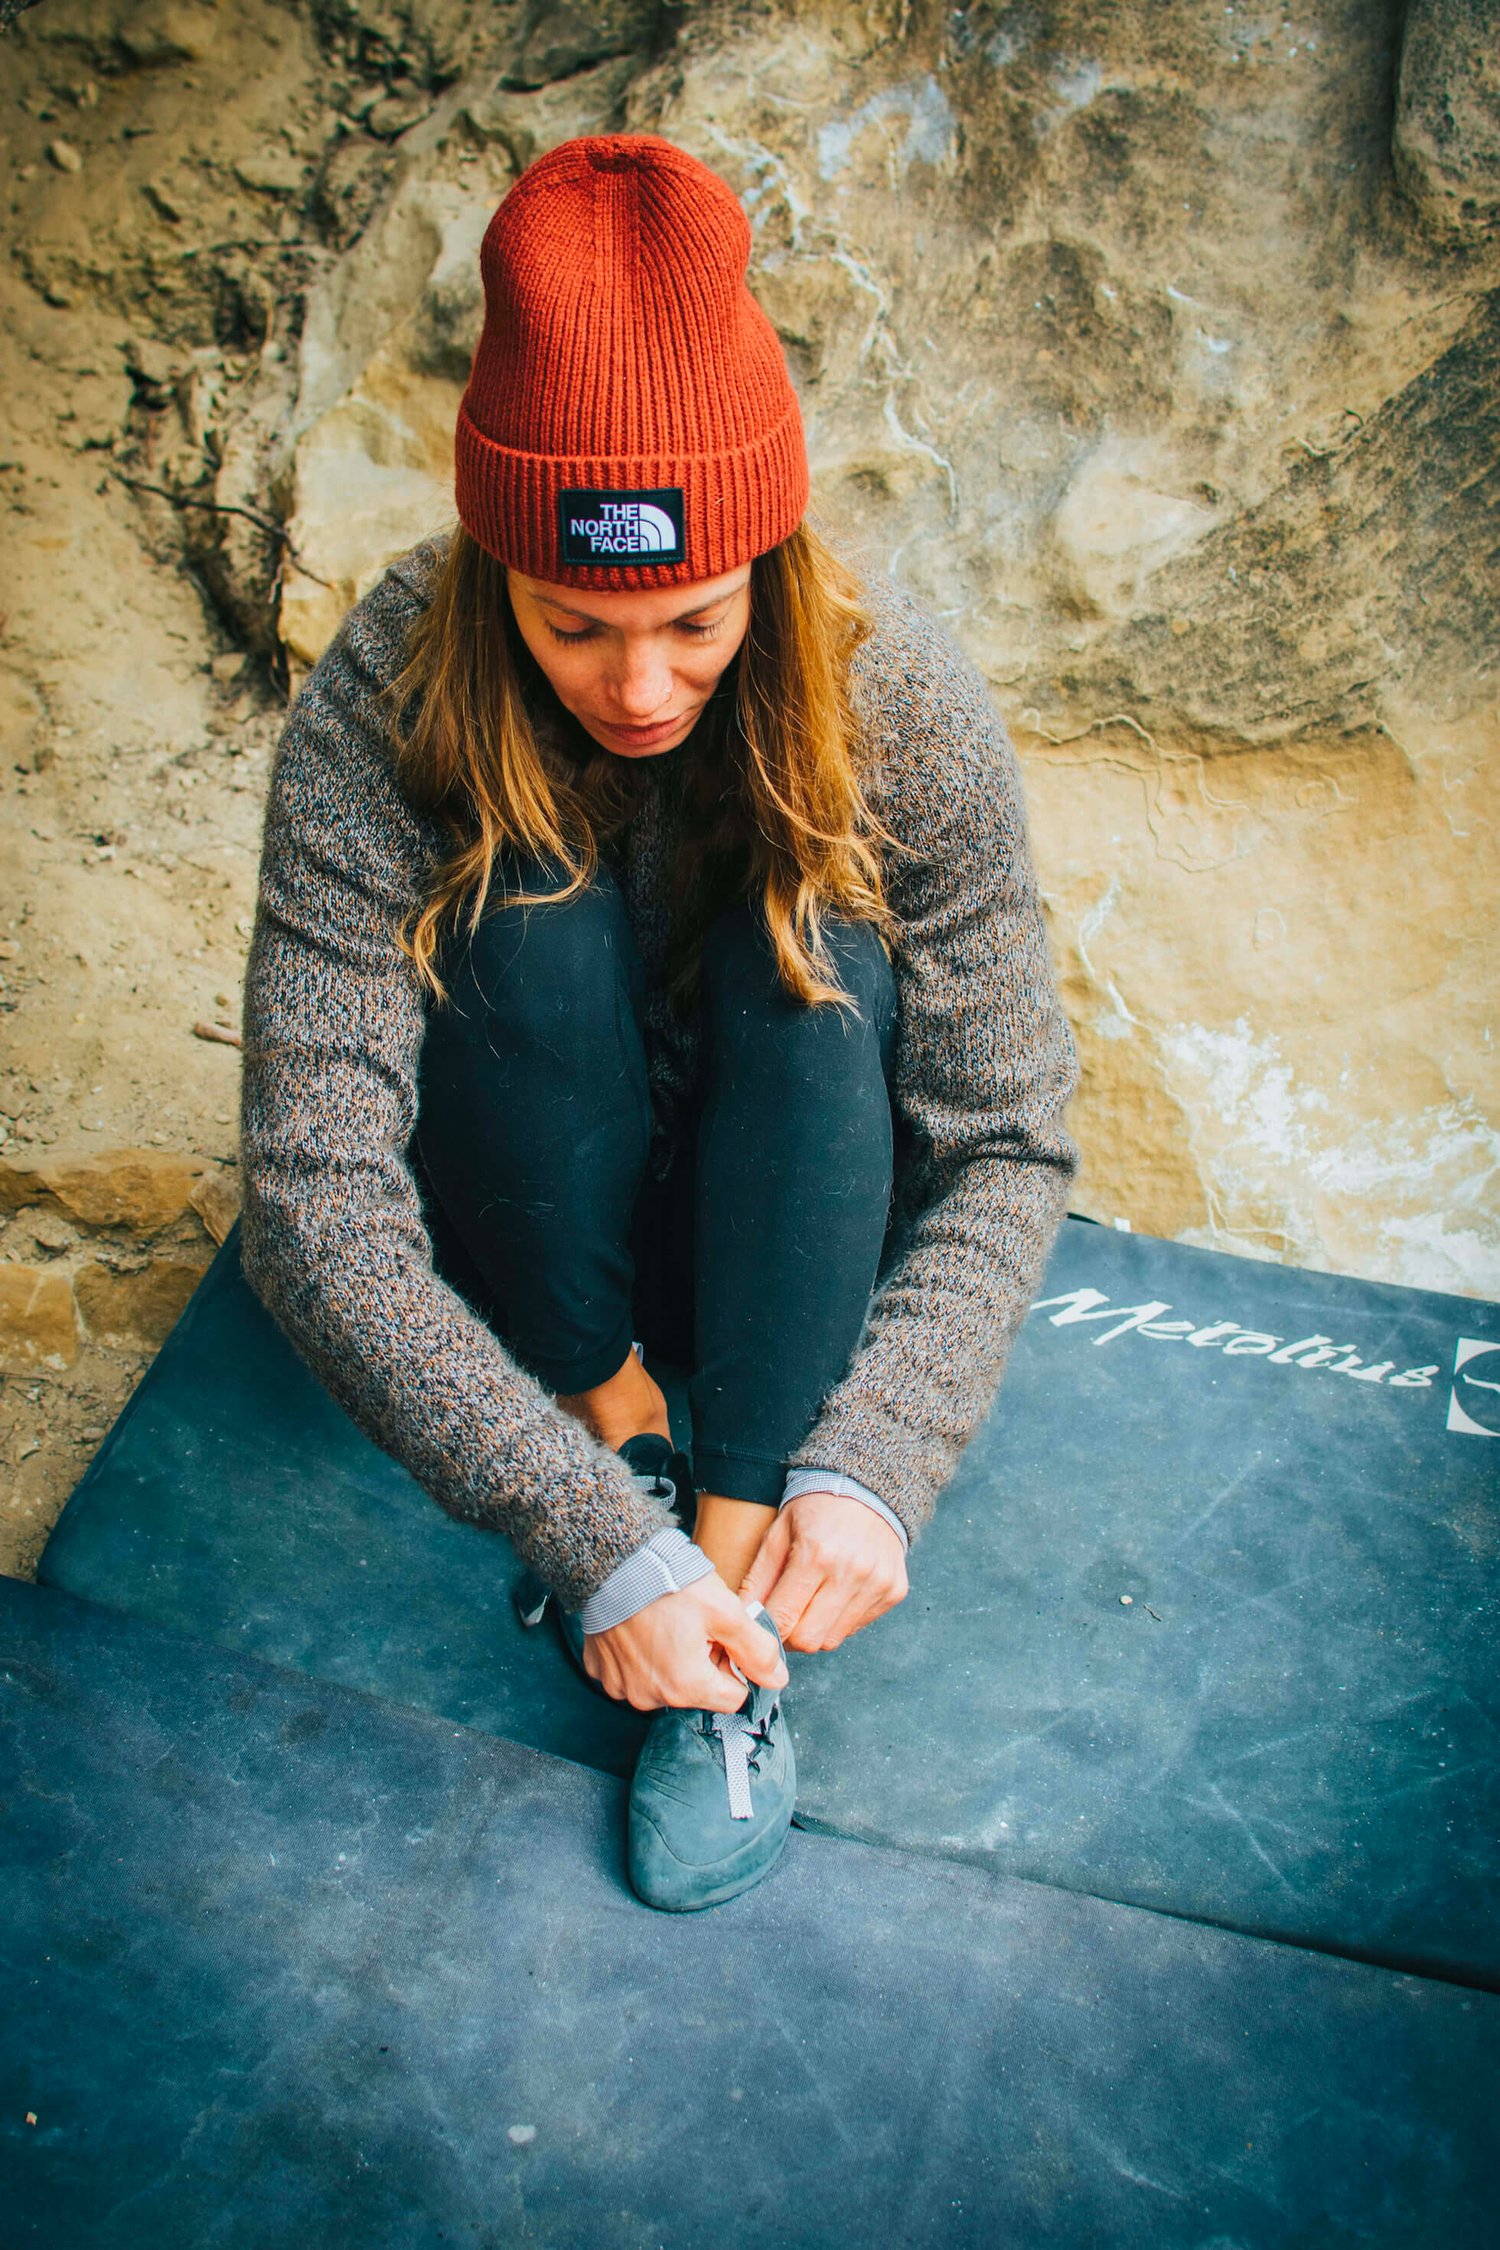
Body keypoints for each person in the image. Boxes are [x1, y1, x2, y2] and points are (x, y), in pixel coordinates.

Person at [241, 134, 1078, 1912]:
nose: (640, 685)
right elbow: (311, 1191)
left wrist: (879, 1461)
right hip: (522, 1225)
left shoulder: (894, 688)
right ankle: (620, 1439)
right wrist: (572, 1517)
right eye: (575, 624)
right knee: (515, 913)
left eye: (694, 621)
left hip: (781, 1210)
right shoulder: (387, 688)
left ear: (764, 563)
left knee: (818, 959)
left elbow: (1010, 1132)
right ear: (496, 572)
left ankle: (733, 1565)